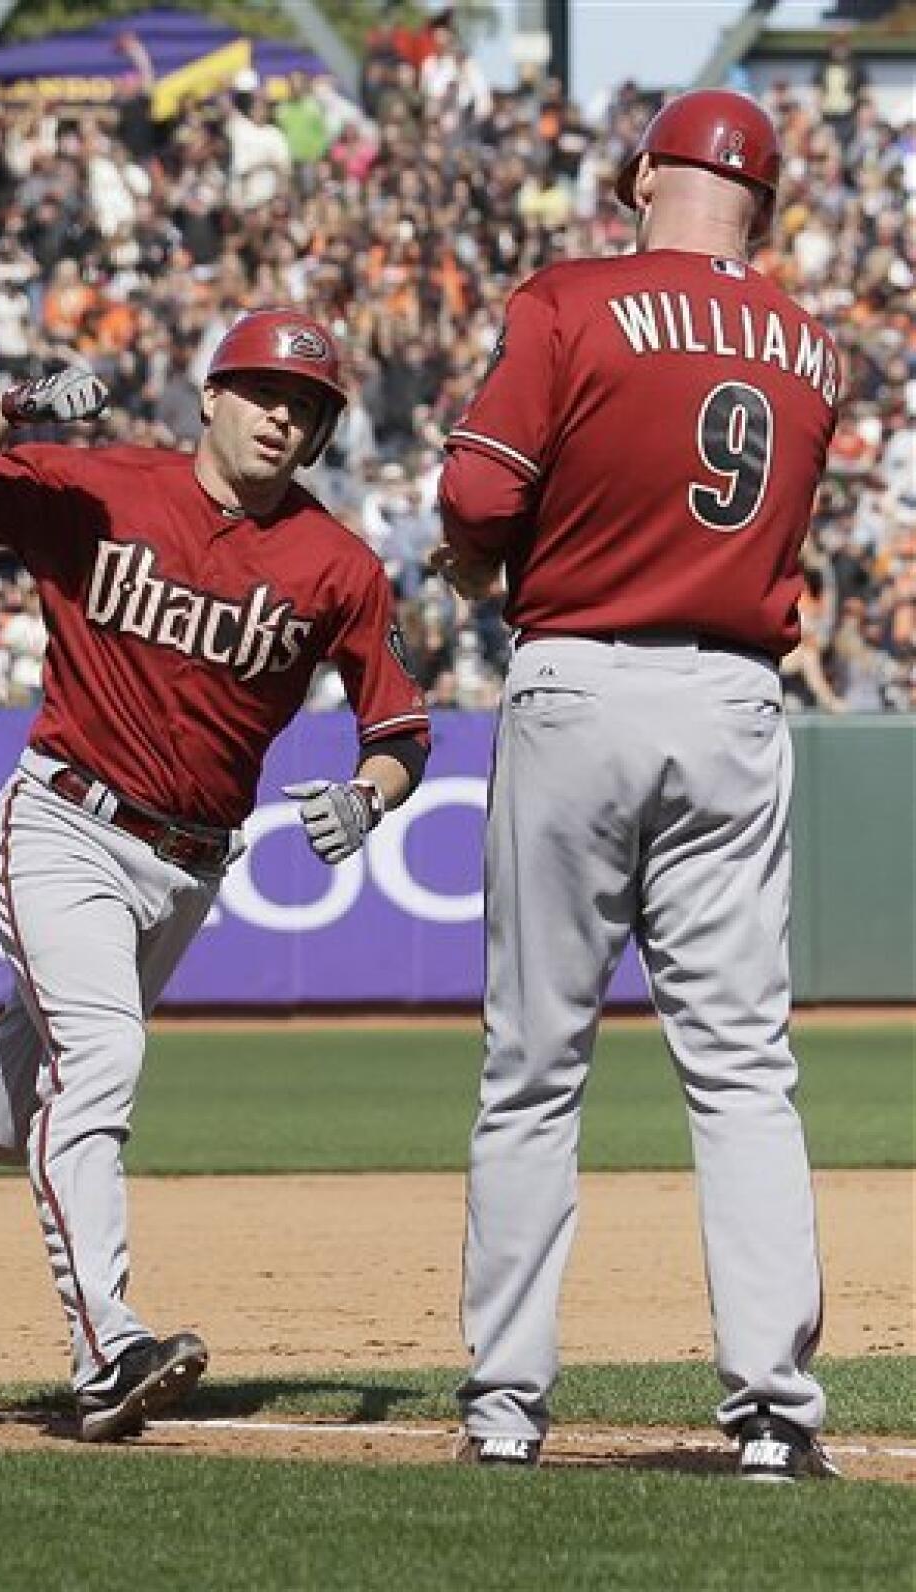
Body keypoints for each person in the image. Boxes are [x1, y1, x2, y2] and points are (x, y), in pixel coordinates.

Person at [0, 308, 431, 1442]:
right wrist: (10, 409)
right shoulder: (107, 489)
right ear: (212, 394)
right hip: (65, 820)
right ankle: (108, 1347)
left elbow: (402, 726)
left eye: (308, 406)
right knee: (102, 1055)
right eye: (264, 392)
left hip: (189, 870)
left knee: (7, 1111)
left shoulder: (338, 564)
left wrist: (369, 794)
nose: (284, 417)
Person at [432, 89, 841, 1482]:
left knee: (535, 1069)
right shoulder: (811, 348)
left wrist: (488, 567)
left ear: (649, 175)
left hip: (582, 678)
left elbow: (481, 500)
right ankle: (776, 1413)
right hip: (734, 698)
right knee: (742, 1070)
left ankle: (503, 1409)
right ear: (763, 203)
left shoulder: (572, 298)